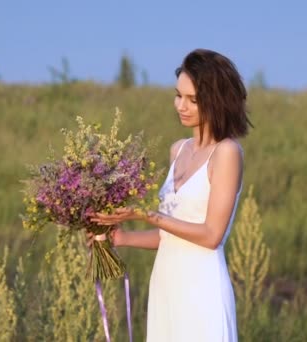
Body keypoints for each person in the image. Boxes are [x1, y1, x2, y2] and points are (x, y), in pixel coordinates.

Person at [90, 48, 251, 342]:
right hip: (166, 286)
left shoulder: (227, 152)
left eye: (193, 100)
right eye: (178, 95)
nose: (181, 106)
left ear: (217, 102)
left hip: (202, 290)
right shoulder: (178, 150)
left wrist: (144, 214)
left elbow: (211, 235)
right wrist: (122, 238)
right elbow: (172, 234)